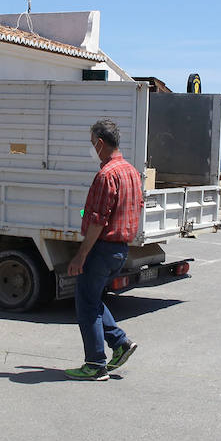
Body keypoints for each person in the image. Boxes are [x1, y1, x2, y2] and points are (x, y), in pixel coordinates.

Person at [64, 119, 143, 381]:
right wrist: (84, 212)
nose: (91, 149)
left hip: (102, 248)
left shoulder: (106, 175)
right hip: (120, 249)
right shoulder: (131, 172)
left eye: (91, 144)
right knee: (92, 299)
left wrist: (80, 254)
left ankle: (95, 364)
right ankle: (120, 343)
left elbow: (98, 220)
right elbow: (124, 209)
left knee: (86, 304)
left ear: (100, 143)